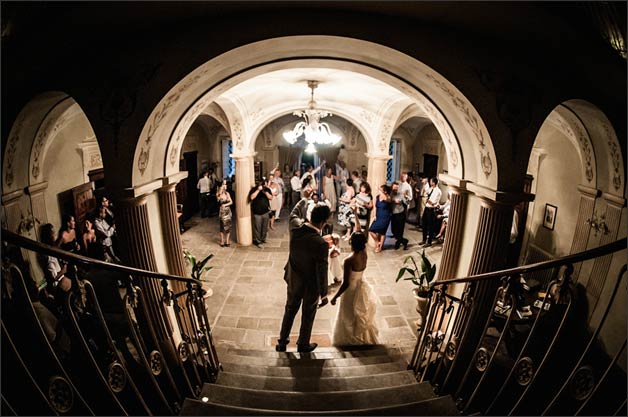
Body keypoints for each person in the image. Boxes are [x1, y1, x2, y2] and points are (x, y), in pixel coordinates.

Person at [276, 195, 331, 353]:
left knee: (290, 310)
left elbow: (293, 212)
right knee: (308, 314)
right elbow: (322, 271)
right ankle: (302, 343)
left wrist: (304, 199)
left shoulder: (295, 227)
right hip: (310, 285)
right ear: (323, 222)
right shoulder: (321, 244)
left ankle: (282, 342)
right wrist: (324, 294)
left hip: (293, 278)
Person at [331, 211, 379, 345]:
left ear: (351, 242)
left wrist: (335, 297)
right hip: (361, 284)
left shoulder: (349, 260)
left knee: (348, 315)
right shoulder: (364, 253)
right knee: (359, 315)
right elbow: (360, 231)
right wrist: (355, 214)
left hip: (351, 290)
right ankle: (362, 339)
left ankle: (350, 340)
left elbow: (345, 283)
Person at [38, 223, 72, 295]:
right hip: (57, 287)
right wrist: (63, 270)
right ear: (48, 236)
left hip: (60, 282)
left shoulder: (51, 250)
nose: (55, 234)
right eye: (52, 232)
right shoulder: (47, 255)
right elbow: (54, 277)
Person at [248, 179, 273, 248]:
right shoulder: (254, 189)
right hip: (257, 213)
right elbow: (252, 197)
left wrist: (265, 192)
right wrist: (258, 190)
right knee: (257, 228)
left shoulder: (267, 189)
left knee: (265, 227)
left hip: (265, 212)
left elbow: (271, 197)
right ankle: (258, 241)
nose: (262, 185)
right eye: (261, 184)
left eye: (264, 183)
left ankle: (263, 239)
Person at [368, 184, 393, 253]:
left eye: (381, 190)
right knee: (371, 230)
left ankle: (380, 247)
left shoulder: (388, 197)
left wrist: (379, 189)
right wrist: (375, 215)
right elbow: (375, 206)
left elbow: (386, 199)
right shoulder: (377, 197)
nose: (379, 191)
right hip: (378, 216)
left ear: (385, 191)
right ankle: (377, 242)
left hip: (385, 217)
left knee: (382, 232)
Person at [420, 177, 442, 247]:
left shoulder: (438, 191)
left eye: (431, 181)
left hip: (432, 210)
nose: (430, 182)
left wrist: (427, 200)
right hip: (427, 208)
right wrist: (426, 199)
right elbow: (424, 194)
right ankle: (424, 239)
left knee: (430, 226)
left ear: (434, 183)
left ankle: (429, 242)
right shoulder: (430, 189)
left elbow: (433, 202)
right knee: (424, 224)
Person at [217, 180, 233, 247]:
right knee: (222, 227)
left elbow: (231, 202)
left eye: (225, 184)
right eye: (224, 184)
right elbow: (218, 198)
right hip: (222, 212)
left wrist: (226, 205)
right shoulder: (218, 193)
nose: (225, 186)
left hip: (227, 211)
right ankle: (222, 241)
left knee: (227, 227)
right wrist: (221, 189)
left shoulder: (227, 193)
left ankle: (227, 241)